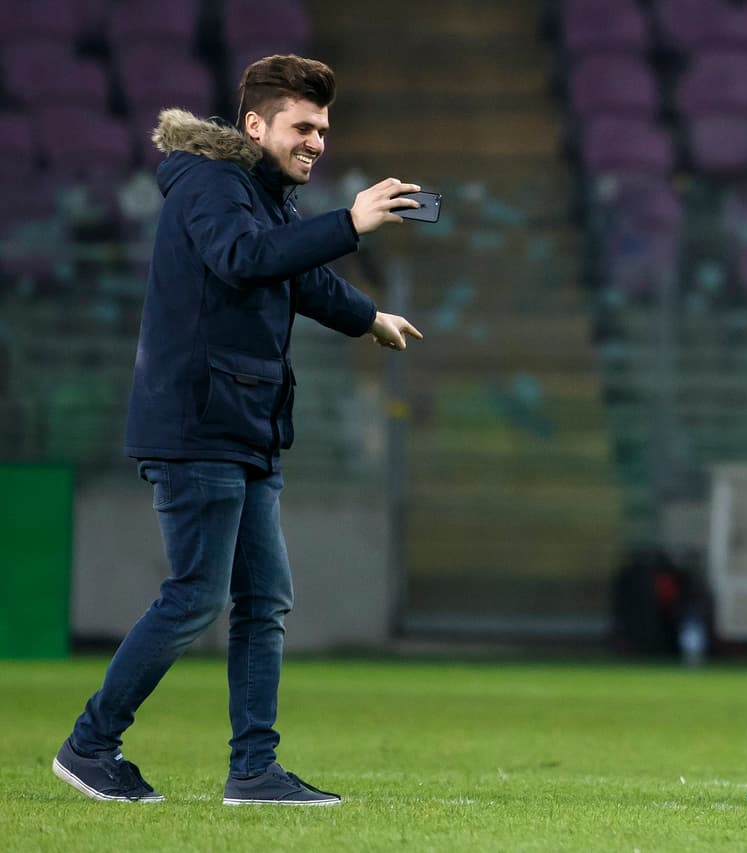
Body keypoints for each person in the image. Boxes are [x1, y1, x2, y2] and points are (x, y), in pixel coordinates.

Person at [52, 54, 424, 806]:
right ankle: (90, 745)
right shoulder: (209, 183)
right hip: (198, 421)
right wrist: (349, 221)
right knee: (195, 594)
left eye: (322, 128)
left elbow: (295, 275)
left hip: (245, 422)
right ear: (255, 125)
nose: (316, 140)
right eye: (303, 126)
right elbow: (244, 258)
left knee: (263, 600)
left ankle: (254, 770)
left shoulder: (260, 193)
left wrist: (368, 317)